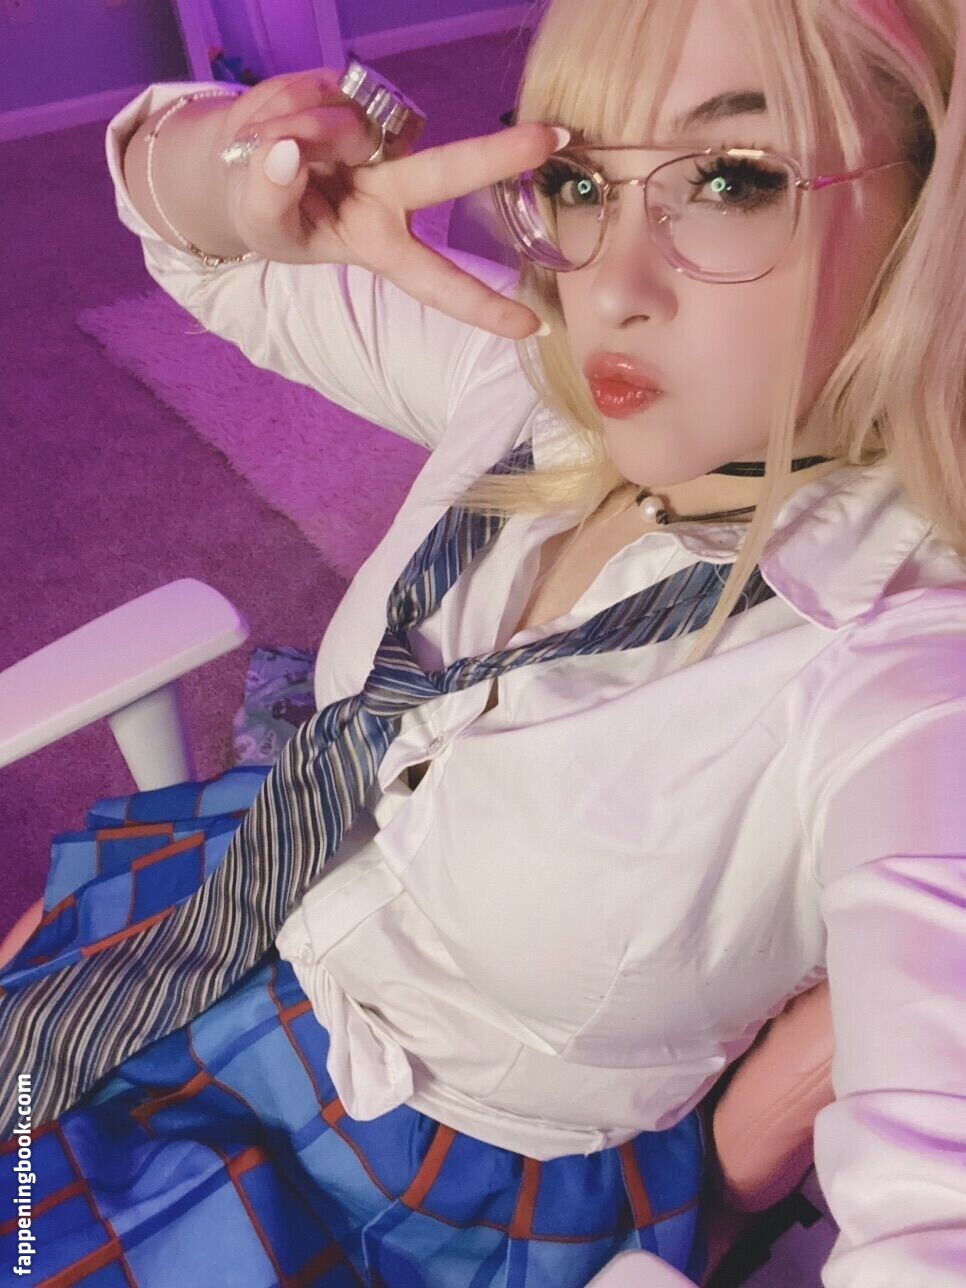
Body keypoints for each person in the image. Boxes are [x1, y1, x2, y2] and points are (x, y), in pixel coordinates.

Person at [1, 0, 964, 1283]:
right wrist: (245, 178)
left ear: (928, 214)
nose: (607, 287)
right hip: (233, 911)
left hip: (405, 1191)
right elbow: (194, 248)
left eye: (730, 180)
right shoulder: (533, 369)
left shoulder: (906, 666)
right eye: (579, 182)